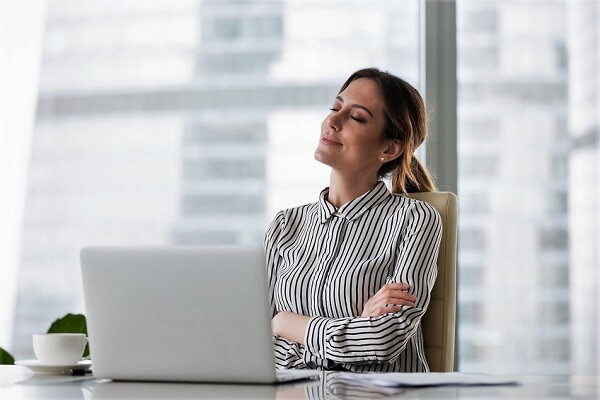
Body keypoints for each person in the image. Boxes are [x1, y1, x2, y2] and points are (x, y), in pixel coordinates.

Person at [265, 67, 442, 372]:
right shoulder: (286, 225)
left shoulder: (415, 219)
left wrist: (286, 323)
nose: (333, 121)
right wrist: (356, 325)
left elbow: (383, 341)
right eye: (335, 108)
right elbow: (256, 340)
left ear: (389, 148)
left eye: (356, 117)